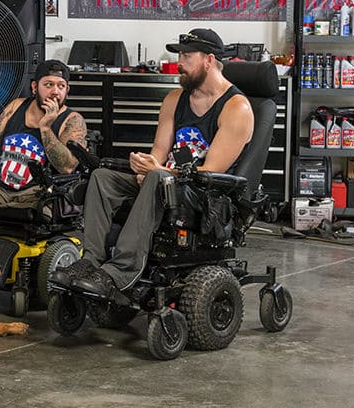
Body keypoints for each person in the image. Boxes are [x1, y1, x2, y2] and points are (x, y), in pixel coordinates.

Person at [52, 29, 254, 301]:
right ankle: (91, 262)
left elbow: (210, 174)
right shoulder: (174, 100)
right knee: (101, 176)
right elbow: (159, 152)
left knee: (158, 178)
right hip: (165, 183)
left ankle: (121, 271)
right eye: (180, 55)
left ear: (208, 60)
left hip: (204, 198)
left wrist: (157, 172)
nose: (179, 62)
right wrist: (145, 166)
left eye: (186, 56)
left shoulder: (236, 108)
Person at [0, 59, 87, 210]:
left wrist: (45, 128)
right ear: (34, 87)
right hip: (0, 190)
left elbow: (67, 168)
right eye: (48, 85)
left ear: (67, 90)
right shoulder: (16, 106)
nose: (55, 92)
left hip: (39, 195)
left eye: (61, 86)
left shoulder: (72, 120)